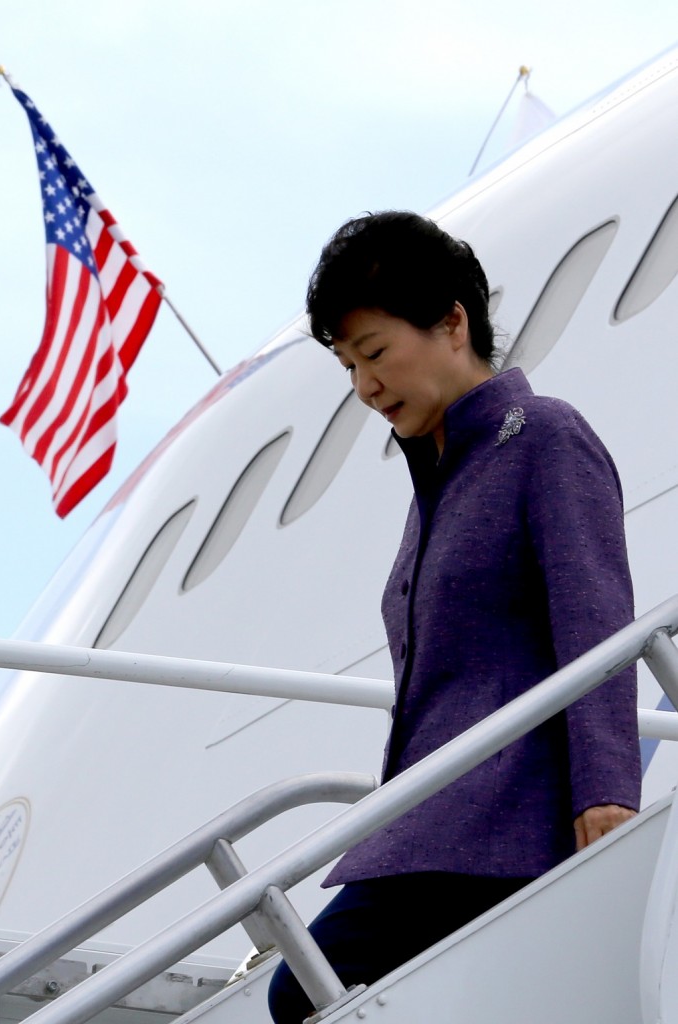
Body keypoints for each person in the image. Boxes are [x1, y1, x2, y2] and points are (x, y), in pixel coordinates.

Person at [268, 211, 641, 1023]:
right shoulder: (435, 486)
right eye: (347, 367)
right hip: (430, 823)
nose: (364, 386)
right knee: (317, 991)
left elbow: (597, 617)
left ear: (451, 322)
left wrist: (608, 788)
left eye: (373, 353)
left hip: (502, 817)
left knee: (307, 990)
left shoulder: (541, 436)